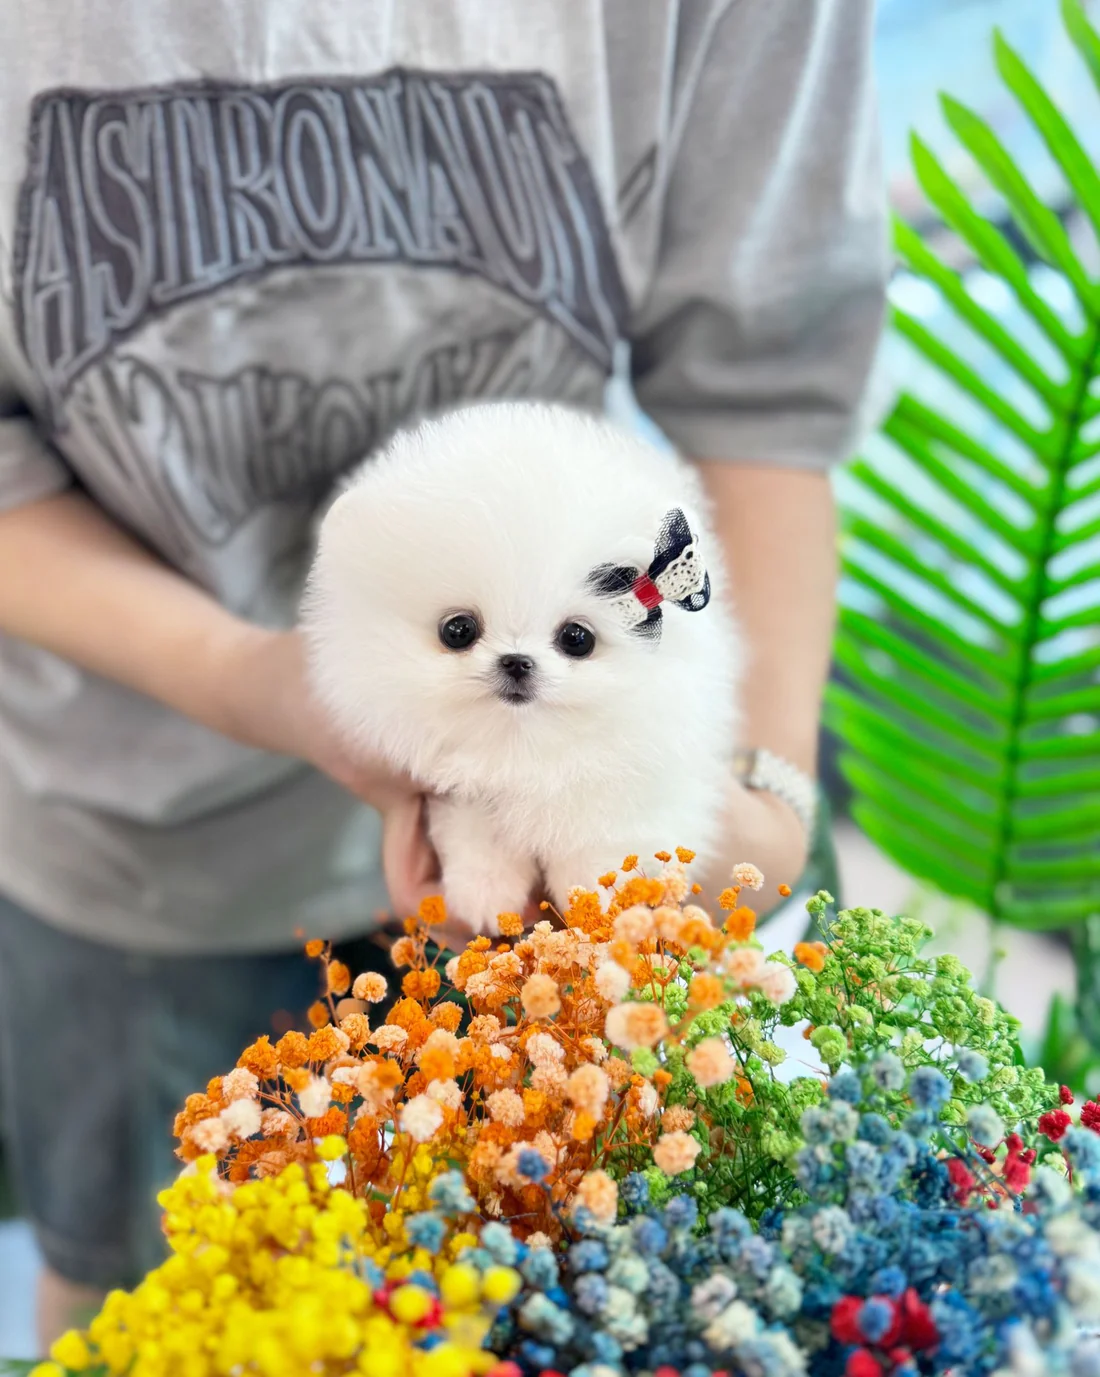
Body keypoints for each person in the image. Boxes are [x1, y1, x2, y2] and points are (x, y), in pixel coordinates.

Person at [0, 0, 887, 1350]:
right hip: (137, 844)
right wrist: (254, 681)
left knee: (570, 1298)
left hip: (599, 844)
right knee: (158, 1302)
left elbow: (766, 390)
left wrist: (757, 798)